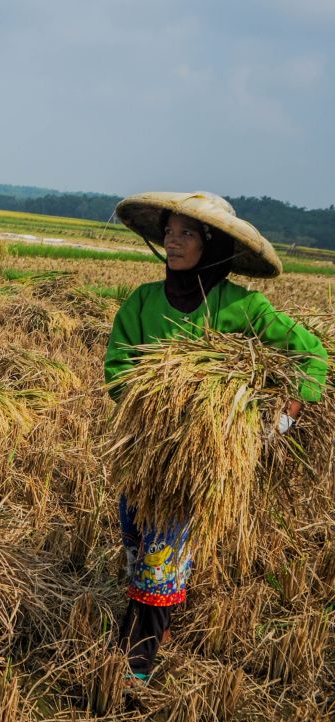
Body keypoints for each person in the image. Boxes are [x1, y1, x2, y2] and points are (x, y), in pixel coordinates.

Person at [104, 191, 328, 685]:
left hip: (201, 458)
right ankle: (153, 615)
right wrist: (157, 398)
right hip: (145, 450)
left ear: (213, 245)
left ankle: (135, 662)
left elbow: (312, 356)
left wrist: (283, 416)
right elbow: (117, 365)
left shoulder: (242, 305)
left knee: (163, 550)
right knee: (134, 534)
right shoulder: (143, 300)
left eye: (187, 233)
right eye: (169, 231)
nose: (173, 241)